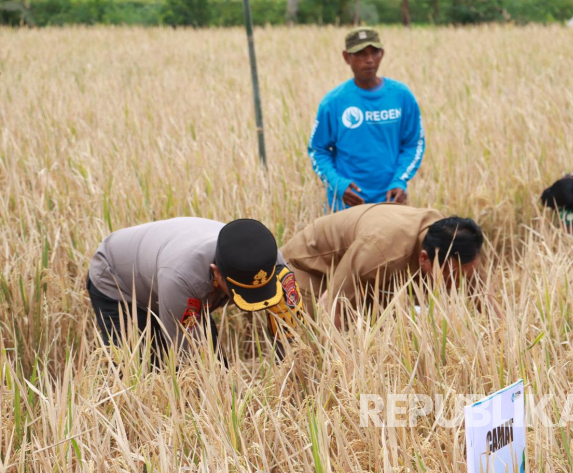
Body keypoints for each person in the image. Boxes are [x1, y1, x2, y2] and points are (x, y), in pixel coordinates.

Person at [87, 218, 303, 362]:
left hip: (164, 264)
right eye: (239, 291)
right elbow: (193, 363)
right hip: (118, 279)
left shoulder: (269, 261)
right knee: (142, 369)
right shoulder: (183, 279)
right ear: (216, 273)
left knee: (217, 364)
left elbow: (290, 331)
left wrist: (290, 374)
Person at [280, 205, 485, 321]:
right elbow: (331, 304)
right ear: (423, 258)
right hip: (309, 268)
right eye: (451, 279)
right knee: (309, 337)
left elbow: (483, 293)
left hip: (359, 268)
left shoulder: (458, 244)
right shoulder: (380, 252)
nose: (457, 287)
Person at [308, 27, 425, 211]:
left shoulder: (401, 96)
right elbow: (318, 150)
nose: (369, 60)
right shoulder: (334, 102)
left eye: (374, 52)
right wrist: (338, 184)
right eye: (360, 54)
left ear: (382, 54)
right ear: (347, 57)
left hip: (389, 203)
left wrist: (400, 180)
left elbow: (414, 144)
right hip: (346, 207)